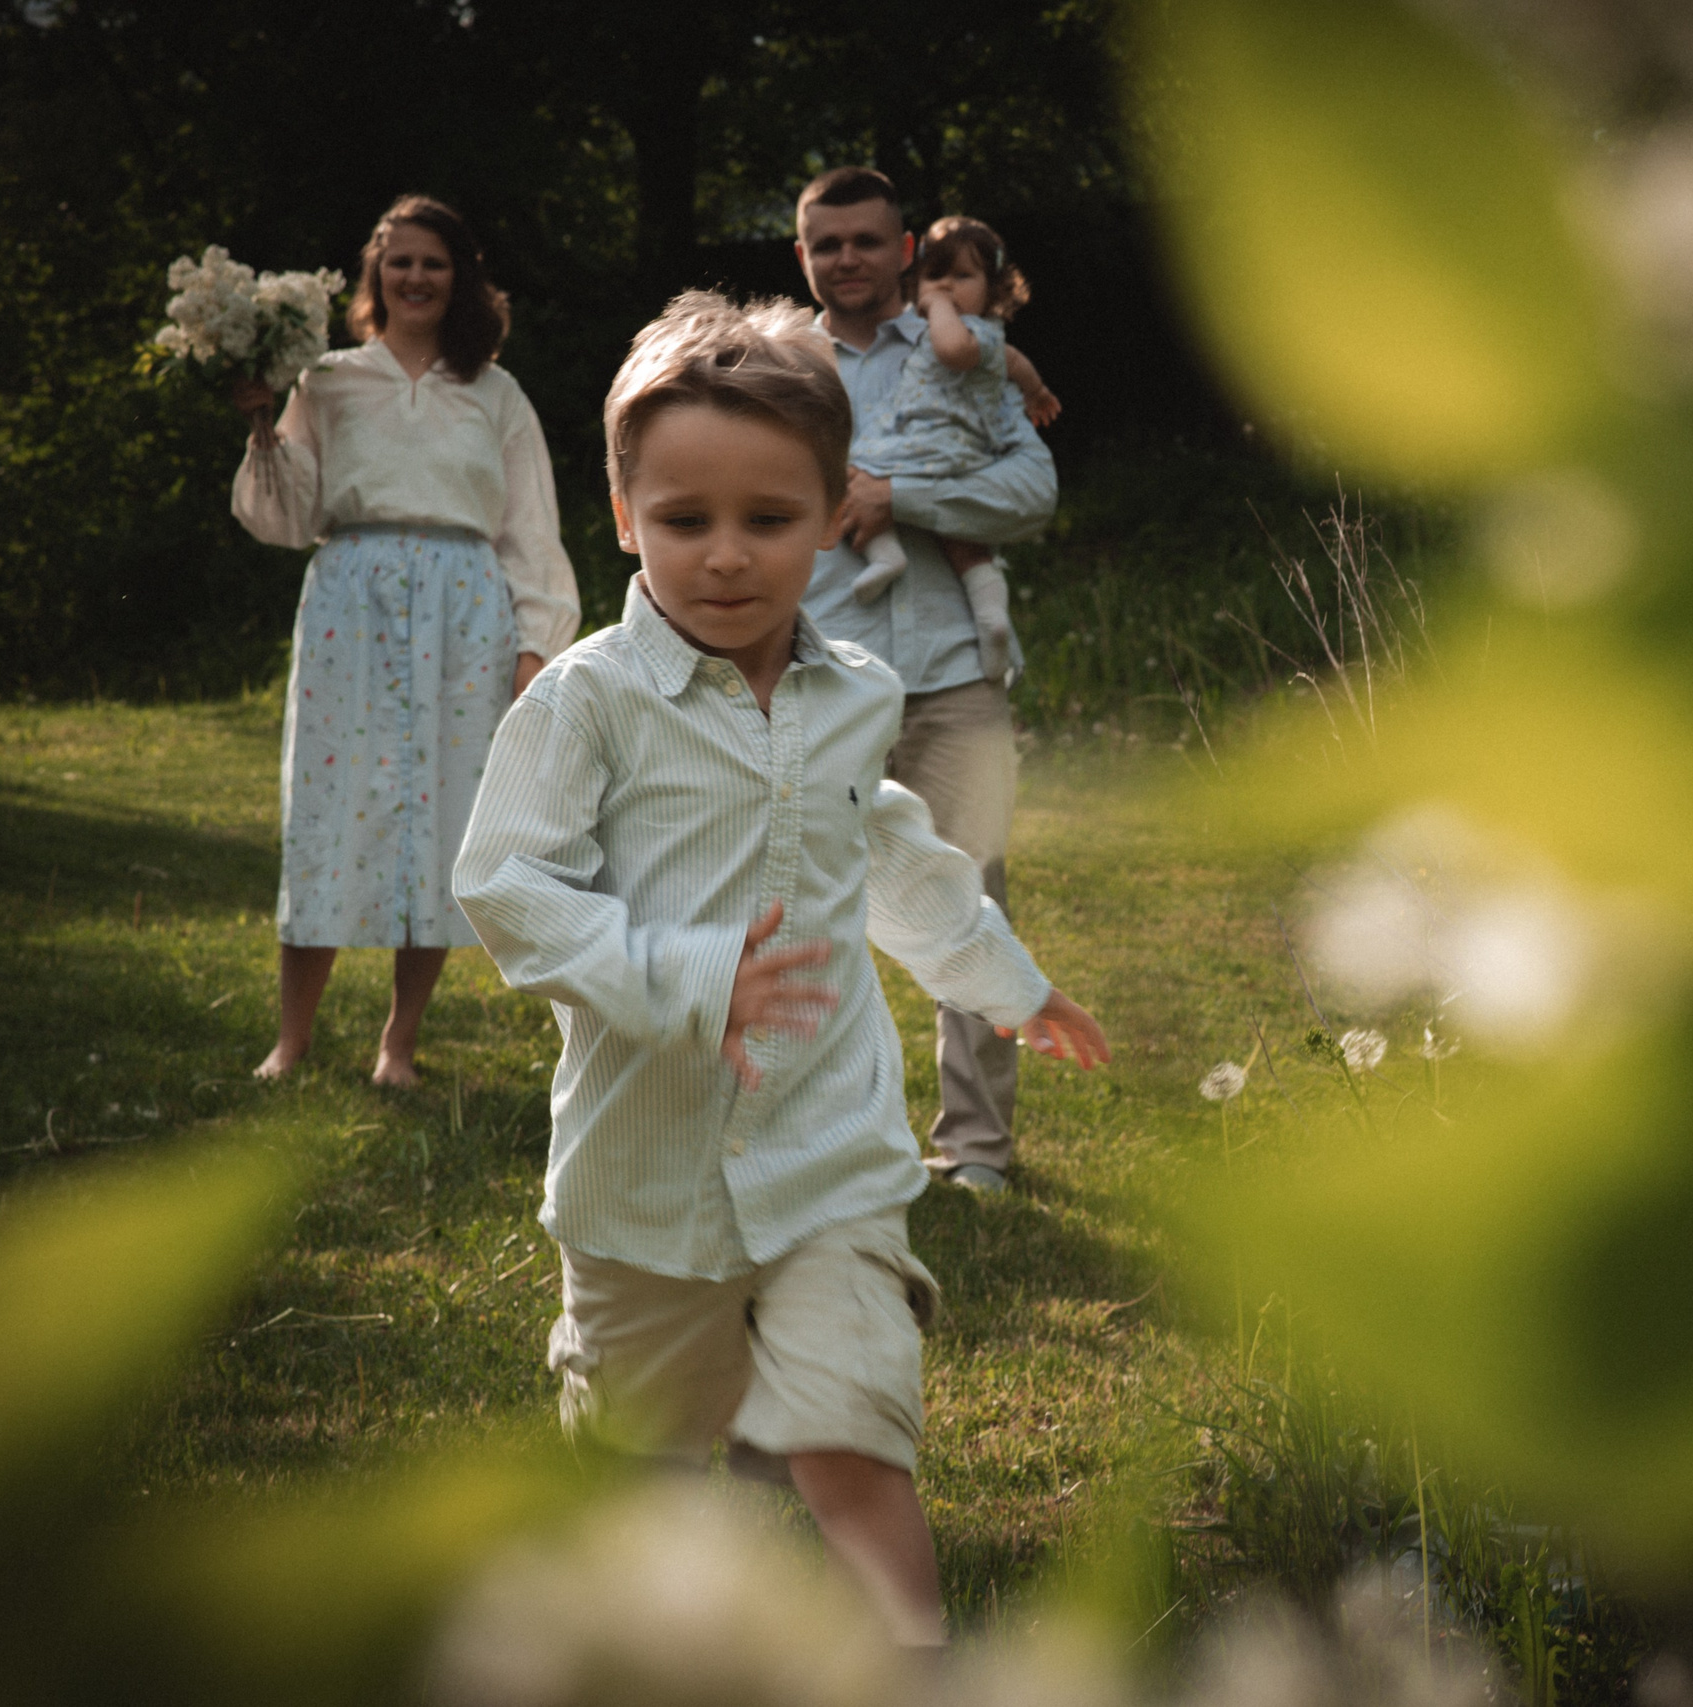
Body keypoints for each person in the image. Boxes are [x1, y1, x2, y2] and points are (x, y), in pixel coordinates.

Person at [451, 291, 1109, 1645]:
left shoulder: (858, 689)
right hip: (643, 1178)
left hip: (830, 1157)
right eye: (687, 519)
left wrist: (1007, 980)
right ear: (626, 515)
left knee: (852, 1444)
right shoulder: (586, 698)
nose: (730, 556)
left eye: (772, 518)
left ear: (833, 514)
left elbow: (899, 854)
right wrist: (692, 972)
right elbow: (504, 886)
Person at [231, 194, 580, 1086]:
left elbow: (530, 528)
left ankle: (399, 1045)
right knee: (327, 809)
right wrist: (260, 422)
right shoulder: (330, 379)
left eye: (433, 262)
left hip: (466, 609)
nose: (415, 277)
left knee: (439, 819)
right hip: (353, 597)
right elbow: (288, 515)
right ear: (374, 275)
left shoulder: (495, 392)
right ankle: (293, 1037)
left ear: (459, 276)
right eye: (399, 262)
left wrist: (533, 648)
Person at [794, 167, 1058, 1194]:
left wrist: (900, 495)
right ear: (802, 256)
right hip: (818, 668)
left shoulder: (969, 353)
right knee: (805, 906)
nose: (847, 259)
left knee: (970, 901)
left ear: (906, 250)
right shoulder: (776, 364)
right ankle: (825, 1138)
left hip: (953, 673)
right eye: (827, 244)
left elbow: (1030, 491)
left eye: (866, 241)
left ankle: (978, 1149)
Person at [844, 214, 1064, 692]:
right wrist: (1037, 391)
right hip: (958, 456)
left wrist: (937, 305)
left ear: (994, 289)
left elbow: (950, 350)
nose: (946, 286)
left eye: (962, 277)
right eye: (936, 276)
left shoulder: (967, 331)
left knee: (856, 477)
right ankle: (991, 617)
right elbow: (1016, 363)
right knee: (964, 539)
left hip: (925, 444)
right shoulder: (994, 343)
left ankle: (885, 556)